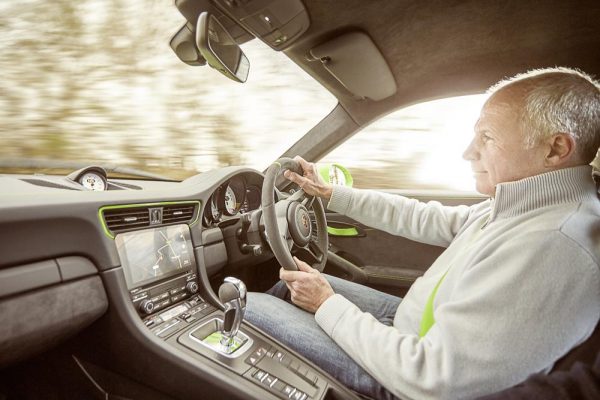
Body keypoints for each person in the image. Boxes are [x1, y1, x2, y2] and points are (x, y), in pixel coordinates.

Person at [245, 67, 600, 400]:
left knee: (245, 306)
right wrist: (331, 193)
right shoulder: (523, 206)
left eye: (487, 138)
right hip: (409, 331)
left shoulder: (554, 245)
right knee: (282, 288)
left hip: (404, 377)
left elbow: (432, 379)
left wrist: (326, 304)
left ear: (555, 149)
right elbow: (424, 217)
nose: (467, 153)